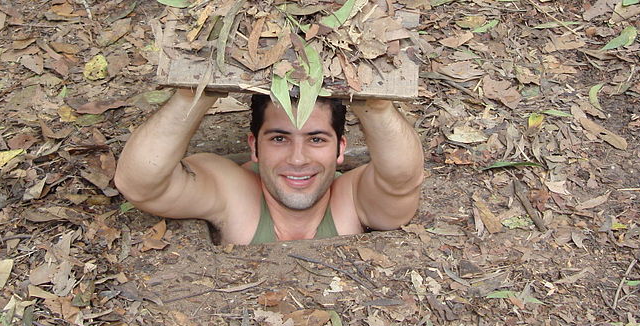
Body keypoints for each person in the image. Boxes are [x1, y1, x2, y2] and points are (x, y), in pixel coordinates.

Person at [114, 90, 425, 244]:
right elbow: (141, 182)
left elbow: (401, 180)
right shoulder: (233, 191)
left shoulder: (353, 196)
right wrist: (193, 94)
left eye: (316, 140)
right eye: (279, 139)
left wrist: (375, 104)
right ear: (254, 147)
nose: (298, 159)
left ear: (340, 148)